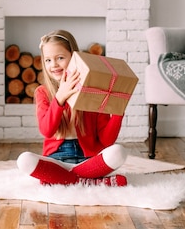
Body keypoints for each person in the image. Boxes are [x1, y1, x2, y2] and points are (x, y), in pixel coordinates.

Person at [16, 30, 128, 186]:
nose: (53, 65)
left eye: (60, 58)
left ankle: (63, 179)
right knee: (24, 160)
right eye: (48, 60)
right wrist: (60, 97)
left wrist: (118, 112)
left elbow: (106, 140)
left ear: (74, 57)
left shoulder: (93, 90)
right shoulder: (42, 92)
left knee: (119, 152)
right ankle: (88, 182)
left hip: (88, 161)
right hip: (56, 160)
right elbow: (46, 130)